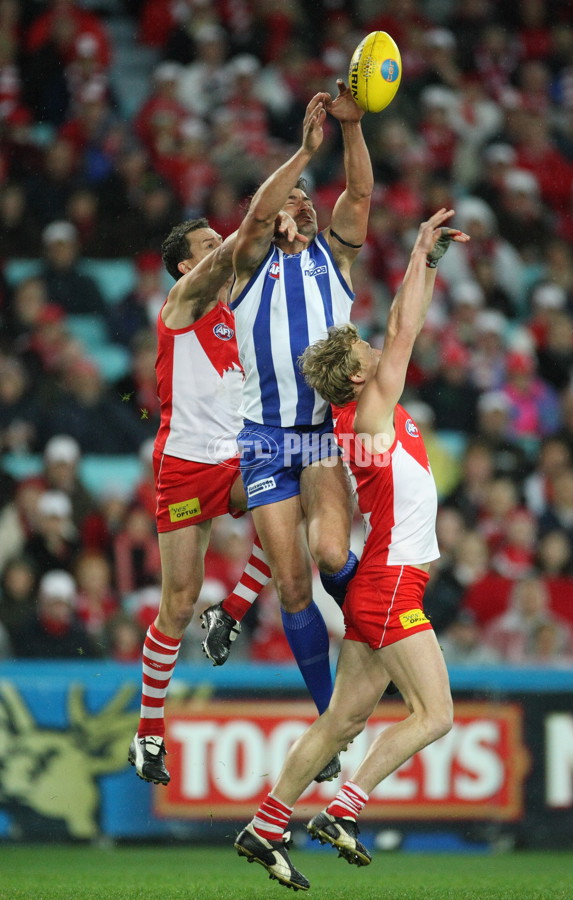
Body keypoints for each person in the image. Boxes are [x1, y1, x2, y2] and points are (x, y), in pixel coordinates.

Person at [233, 209, 468, 890]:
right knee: (437, 714)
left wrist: (425, 263)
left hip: (380, 586)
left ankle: (265, 824)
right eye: (367, 354)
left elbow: (404, 330)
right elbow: (403, 329)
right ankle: (345, 808)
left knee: (341, 720)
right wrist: (421, 249)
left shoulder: (353, 414)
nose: (378, 351)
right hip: (393, 583)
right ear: (360, 377)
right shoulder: (370, 412)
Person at [128, 208, 322, 786]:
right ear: (187, 264)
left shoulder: (239, 311)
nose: (221, 247)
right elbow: (237, 251)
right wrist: (269, 213)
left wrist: (297, 228)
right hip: (186, 467)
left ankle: (232, 612)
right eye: (208, 243)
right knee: (177, 604)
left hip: (237, 456)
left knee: (299, 495)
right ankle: (148, 734)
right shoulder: (180, 305)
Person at [209, 88, 372, 775]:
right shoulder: (244, 264)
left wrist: (353, 131)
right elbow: (251, 217)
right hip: (268, 440)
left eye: (307, 194)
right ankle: (331, 721)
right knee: (295, 588)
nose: (302, 202)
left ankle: (387, 639)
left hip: (321, 436)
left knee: (335, 554)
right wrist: (304, 151)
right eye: (292, 197)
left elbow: (360, 196)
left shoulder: (334, 258)